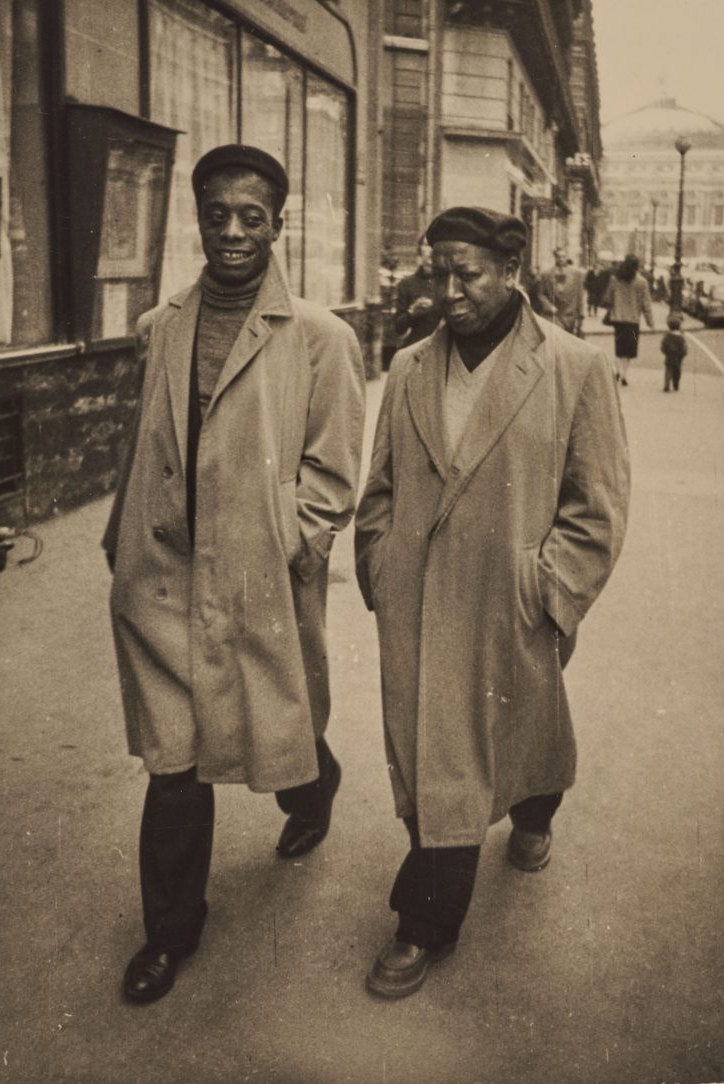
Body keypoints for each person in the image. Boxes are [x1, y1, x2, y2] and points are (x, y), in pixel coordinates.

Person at [102, 145, 365, 1003]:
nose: (233, 231)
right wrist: (122, 535)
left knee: (274, 720)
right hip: (162, 577)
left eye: (252, 216)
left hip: (258, 576)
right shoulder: (163, 323)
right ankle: (170, 934)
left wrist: (297, 541)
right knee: (174, 761)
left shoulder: (322, 338)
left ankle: (314, 786)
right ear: (199, 220)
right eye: (217, 214)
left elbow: (333, 472)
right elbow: (145, 441)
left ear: (279, 224)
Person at [354, 206, 630, 999]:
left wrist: (549, 589)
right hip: (416, 597)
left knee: (520, 727)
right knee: (433, 750)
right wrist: (381, 562)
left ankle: (524, 824)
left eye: (466, 273)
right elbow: (380, 485)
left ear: (511, 271)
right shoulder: (409, 365)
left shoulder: (572, 366)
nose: (448, 290)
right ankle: (430, 914)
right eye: (437, 271)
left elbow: (598, 505)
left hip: (510, 598)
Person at [602, 254, 654, 385]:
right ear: (637, 267)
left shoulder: (615, 279)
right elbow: (646, 304)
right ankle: (624, 374)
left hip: (618, 319)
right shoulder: (642, 282)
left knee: (619, 348)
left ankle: (617, 370)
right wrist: (650, 322)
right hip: (633, 320)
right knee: (629, 350)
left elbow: (607, 298)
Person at [393, 236, 442, 348]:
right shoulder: (407, 284)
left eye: (433, 244)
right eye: (426, 244)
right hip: (416, 348)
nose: (430, 249)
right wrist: (412, 311)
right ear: (420, 250)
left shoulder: (446, 282)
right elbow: (399, 328)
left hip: (442, 349)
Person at [536, 246, 585, 334]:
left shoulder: (576, 274)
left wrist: (581, 315)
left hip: (570, 315)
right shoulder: (546, 274)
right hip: (554, 315)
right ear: (555, 257)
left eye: (563, 256)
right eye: (559, 256)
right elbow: (541, 294)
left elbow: (580, 295)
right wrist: (549, 306)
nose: (561, 259)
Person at [661, 314, 687, 391]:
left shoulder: (667, 336)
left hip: (669, 357)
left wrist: (665, 352)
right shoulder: (681, 337)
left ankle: (666, 385)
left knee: (668, 371)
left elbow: (663, 345)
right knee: (677, 371)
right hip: (678, 358)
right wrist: (683, 354)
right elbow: (684, 348)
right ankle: (676, 385)